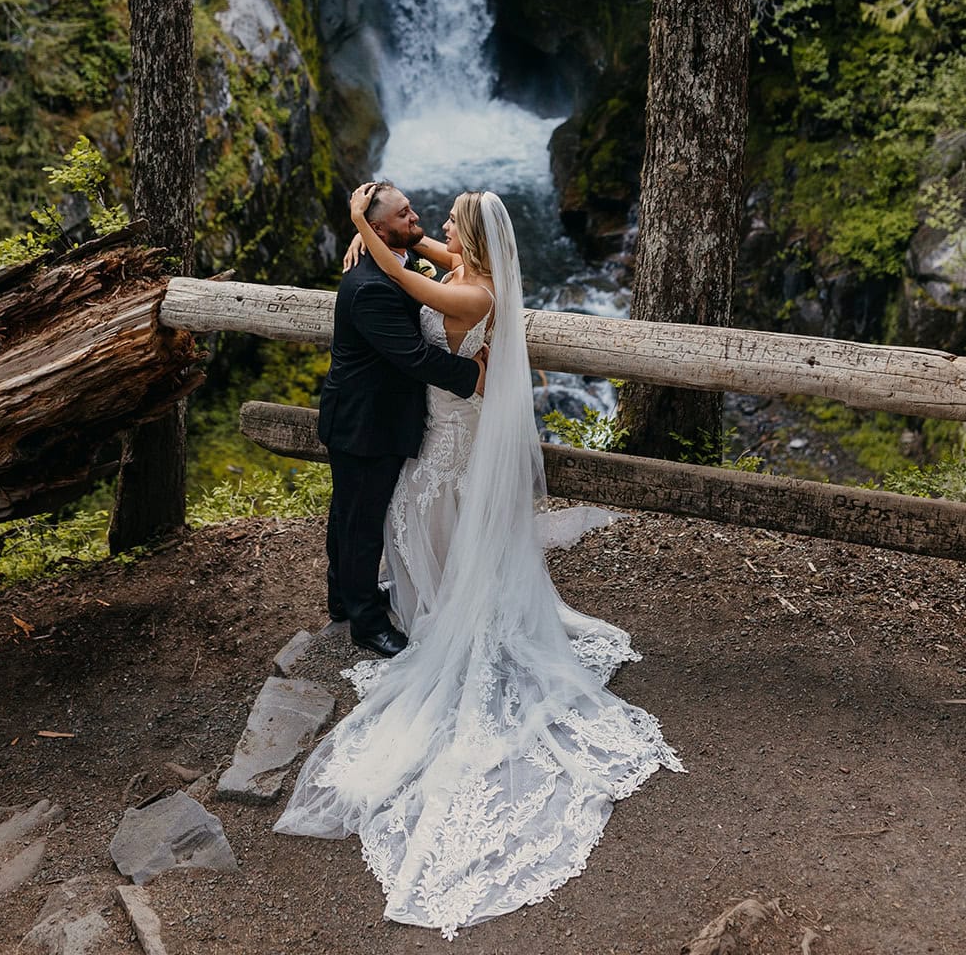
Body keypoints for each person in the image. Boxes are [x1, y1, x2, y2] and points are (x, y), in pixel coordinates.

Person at [276, 188, 682, 938]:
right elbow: (414, 264)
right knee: (398, 515)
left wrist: (365, 231)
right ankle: (394, 598)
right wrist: (373, 242)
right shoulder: (461, 262)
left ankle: (428, 603)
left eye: (444, 224)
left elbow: (411, 287)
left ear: (469, 240)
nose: (431, 229)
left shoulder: (466, 284)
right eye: (413, 218)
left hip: (449, 427)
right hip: (423, 422)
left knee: (424, 511)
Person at [317, 180, 486, 658]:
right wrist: (472, 374)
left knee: (350, 516)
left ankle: (343, 598)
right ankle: (366, 622)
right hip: (365, 423)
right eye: (404, 216)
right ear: (379, 229)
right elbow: (413, 356)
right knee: (360, 522)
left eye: (412, 209)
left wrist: (362, 233)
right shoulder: (370, 286)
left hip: (379, 415)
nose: (417, 219)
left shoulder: (397, 261)